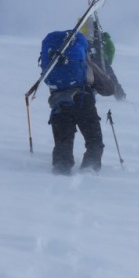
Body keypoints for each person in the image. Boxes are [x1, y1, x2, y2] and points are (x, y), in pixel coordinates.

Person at [41, 30, 113, 176]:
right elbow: (108, 89)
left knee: (63, 144)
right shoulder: (86, 64)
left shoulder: (52, 64)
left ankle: (60, 171)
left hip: (59, 107)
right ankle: (89, 169)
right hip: (83, 102)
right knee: (94, 142)